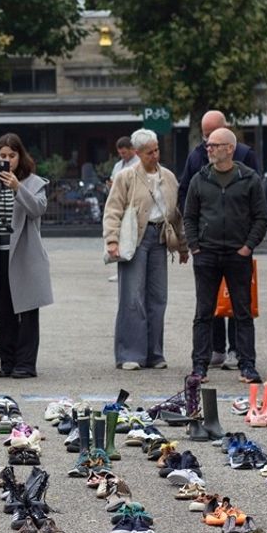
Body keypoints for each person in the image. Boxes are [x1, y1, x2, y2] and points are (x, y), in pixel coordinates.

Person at [0, 133, 54, 379]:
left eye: (12, 156)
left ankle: (25, 364)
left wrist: (18, 187)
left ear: (20, 156)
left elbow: (37, 209)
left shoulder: (34, 183)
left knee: (27, 310)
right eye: (2, 156)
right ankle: (7, 362)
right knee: (4, 310)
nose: (7, 160)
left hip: (25, 256)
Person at [183, 127, 267, 383]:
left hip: (237, 254)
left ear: (229, 148)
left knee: (242, 312)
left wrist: (247, 246)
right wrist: (195, 246)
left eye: (214, 145)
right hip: (206, 254)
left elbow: (261, 217)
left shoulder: (249, 178)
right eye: (207, 145)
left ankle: (247, 366)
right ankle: (199, 366)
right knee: (203, 313)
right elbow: (189, 216)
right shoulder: (200, 178)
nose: (208, 149)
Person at [103, 129, 187, 371]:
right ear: (137, 153)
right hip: (135, 238)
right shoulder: (126, 176)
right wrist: (112, 240)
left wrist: (182, 246)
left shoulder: (169, 177)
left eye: (157, 150)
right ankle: (130, 353)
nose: (155, 155)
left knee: (158, 298)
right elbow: (113, 209)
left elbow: (176, 214)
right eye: (150, 152)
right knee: (132, 297)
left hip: (160, 237)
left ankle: (154, 353)